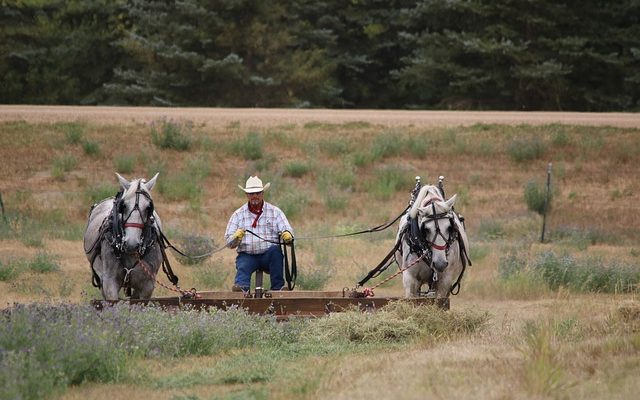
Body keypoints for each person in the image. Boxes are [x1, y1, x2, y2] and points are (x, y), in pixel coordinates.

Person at [225, 176, 294, 292]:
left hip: (269, 255)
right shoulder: (238, 214)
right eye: (251, 193)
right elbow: (229, 242)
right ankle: (241, 290)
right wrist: (235, 238)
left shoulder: (275, 212)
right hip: (247, 254)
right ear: (247, 195)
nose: (255, 196)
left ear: (262, 193)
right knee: (243, 265)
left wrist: (288, 235)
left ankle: (278, 289)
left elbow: (288, 231)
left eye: (257, 193)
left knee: (275, 252)